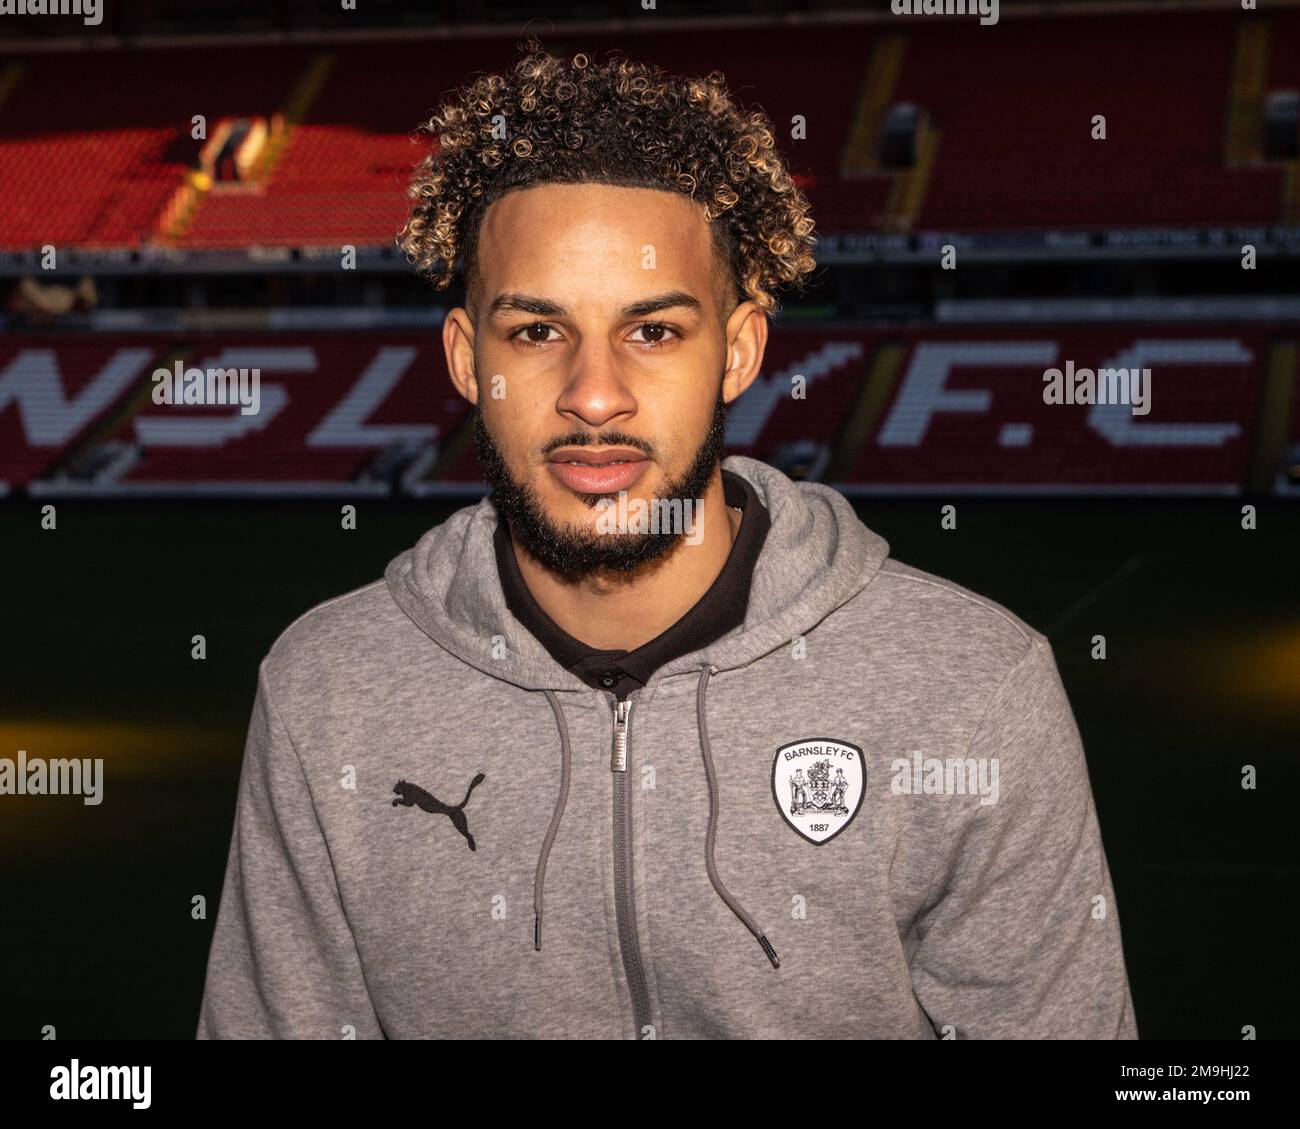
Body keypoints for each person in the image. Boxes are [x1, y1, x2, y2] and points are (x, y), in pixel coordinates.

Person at [195, 38, 1137, 1040]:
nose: (593, 395)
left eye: (653, 331)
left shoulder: (973, 685)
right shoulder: (326, 688)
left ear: (736, 351)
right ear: (469, 361)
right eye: (535, 331)